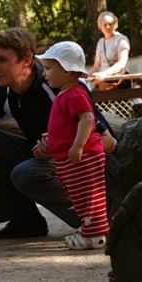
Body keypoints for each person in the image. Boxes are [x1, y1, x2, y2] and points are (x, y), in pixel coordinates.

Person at [0, 27, 119, 242]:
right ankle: (25, 221)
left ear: (27, 60)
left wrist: (61, 146)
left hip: (91, 164)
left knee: (25, 174)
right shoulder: (4, 92)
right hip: (51, 158)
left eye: (2, 60)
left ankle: (98, 219)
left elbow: (109, 143)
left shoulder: (61, 84)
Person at [35, 41, 109, 250]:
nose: (44, 74)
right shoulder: (64, 94)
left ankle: (95, 235)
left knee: (88, 196)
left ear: (67, 71)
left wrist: (77, 145)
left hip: (83, 156)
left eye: (48, 68)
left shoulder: (75, 93)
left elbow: (87, 120)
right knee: (79, 197)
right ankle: (89, 230)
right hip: (68, 158)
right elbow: (71, 122)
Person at [88, 11, 131, 92]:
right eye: (105, 24)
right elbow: (96, 67)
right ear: (100, 26)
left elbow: (122, 63)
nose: (108, 26)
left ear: (115, 24)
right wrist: (84, 77)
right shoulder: (100, 43)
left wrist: (105, 74)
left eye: (110, 24)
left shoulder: (122, 39)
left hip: (119, 84)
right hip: (103, 84)